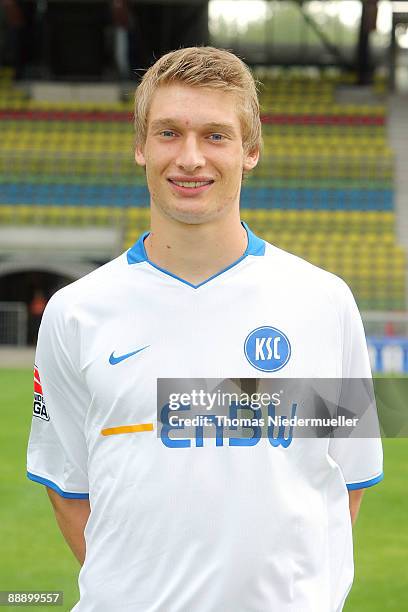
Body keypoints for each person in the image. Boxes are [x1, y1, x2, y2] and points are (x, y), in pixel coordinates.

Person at [27, 47, 383, 612]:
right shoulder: (76, 312)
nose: (190, 157)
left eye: (216, 136)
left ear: (251, 151)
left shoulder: (324, 302)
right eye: (169, 133)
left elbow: (348, 483)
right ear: (141, 147)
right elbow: (69, 490)